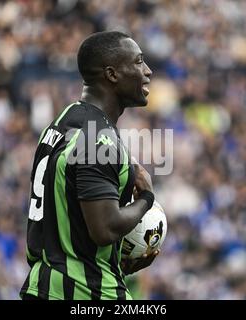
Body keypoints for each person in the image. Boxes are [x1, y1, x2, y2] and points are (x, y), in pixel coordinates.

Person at [20, 31, 157, 300]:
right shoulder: (99, 138)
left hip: (43, 286)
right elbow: (104, 228)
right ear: (112, 74)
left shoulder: (62, 121)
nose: (148, 71)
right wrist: (147, 199)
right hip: (88, 292)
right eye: (139, 62)